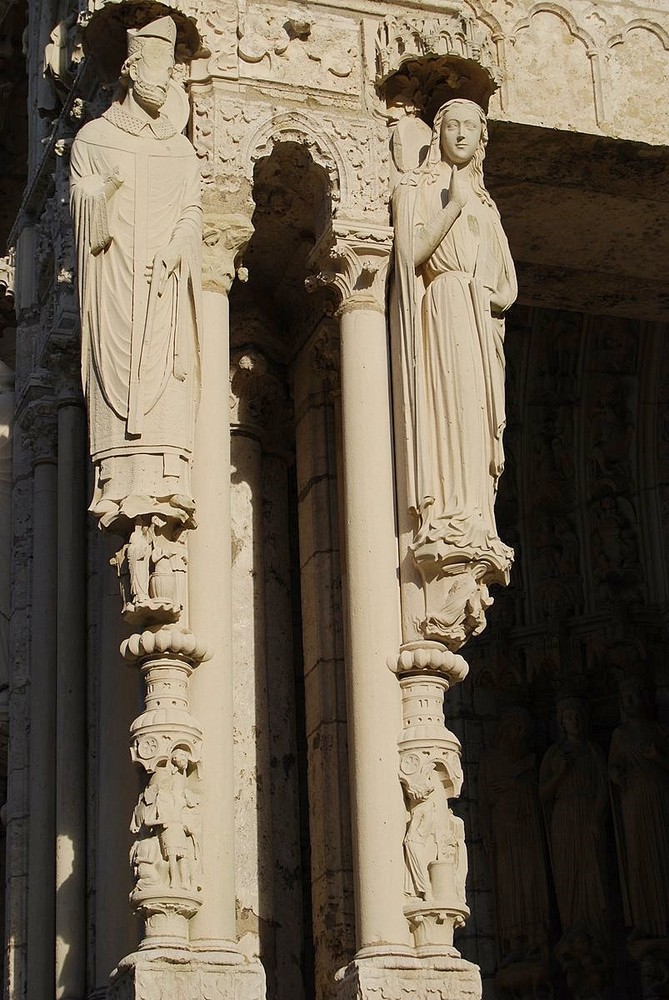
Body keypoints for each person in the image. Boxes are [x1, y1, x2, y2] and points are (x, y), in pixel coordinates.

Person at [70, 16, 202, 536]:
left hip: (164, 288)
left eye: (171, 73)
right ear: (130, 69)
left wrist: (177, 247)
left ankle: (169, 470)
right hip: (115, 285)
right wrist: (100, 192)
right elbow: (81, 198)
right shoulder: (94, 138)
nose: (167, 81)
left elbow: (192, 210)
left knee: (167, 379)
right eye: (158, 69)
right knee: (115, 364)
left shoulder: (180, 148)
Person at [392, 99, 516, 645]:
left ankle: (472, 516)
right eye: (453, 126)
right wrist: (451, 208)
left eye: (472, 127)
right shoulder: (420, 190)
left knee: (475, 422)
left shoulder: (487, 207)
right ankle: (443, 518)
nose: (462, 135)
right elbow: (410, 254)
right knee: (447, 415)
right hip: (440, 311)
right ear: (437, 134)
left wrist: (488, 294)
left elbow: (510, 283)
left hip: (475, 316)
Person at [539, 698, 609, 946]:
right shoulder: (555, 754)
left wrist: (596, 817)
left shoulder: (592, 750)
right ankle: (573, 924)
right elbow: (542, 794)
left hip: (588, 816)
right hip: (564, 818)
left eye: (578, 716)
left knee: (594, 872)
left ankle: (597, 928)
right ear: (561, 722)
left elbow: (604, 787)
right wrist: (560, 772)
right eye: (569, 717)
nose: (574, 721)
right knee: (568, 872)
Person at [609, 677, 669, 940]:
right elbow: (612, 768)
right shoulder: (620, 735)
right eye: (624, 699)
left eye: (632, 696)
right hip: (632, 799)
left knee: (661, 852)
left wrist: (658, 758)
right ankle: (645, 920)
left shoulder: (659, 731)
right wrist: (616, 775)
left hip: (657, 796)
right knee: (639, 857)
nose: (628, 703)